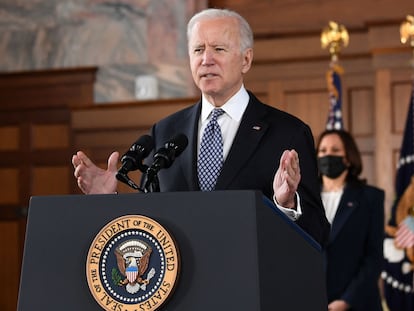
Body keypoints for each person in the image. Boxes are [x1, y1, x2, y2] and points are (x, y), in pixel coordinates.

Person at [72, 8, 330, 247]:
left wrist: (285, 205)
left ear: (246, 60)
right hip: (181, 292)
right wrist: (107, 202)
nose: (206, 59)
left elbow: (318, 233)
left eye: (218, 49)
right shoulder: (164, 132)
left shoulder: (287, 133)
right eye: (198, 50)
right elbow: (147, 226)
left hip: (253, 288)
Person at [316, 129, 384, 311]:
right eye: (322, 151)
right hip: (312, 300)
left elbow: (374, 258)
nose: (328, 155)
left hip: (357, 303)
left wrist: (347, 300)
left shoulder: (370, 198)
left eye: (335, 150)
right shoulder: (304, 197)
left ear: (348, 157)